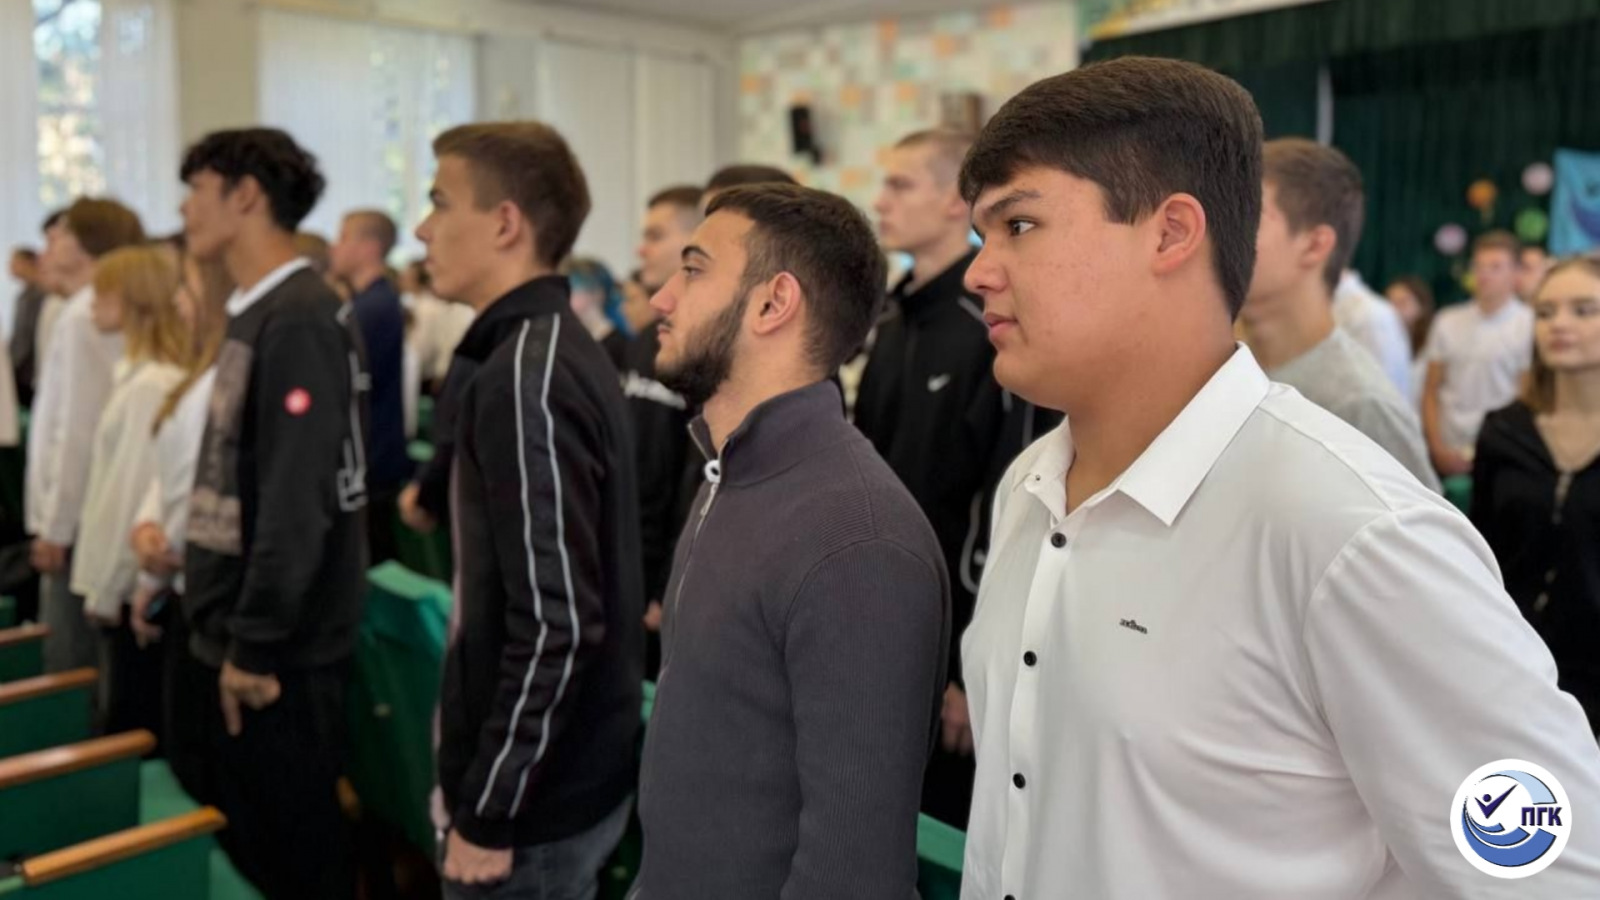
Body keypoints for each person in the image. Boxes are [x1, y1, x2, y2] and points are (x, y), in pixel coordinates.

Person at [957, 57, 1600, 898]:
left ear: (1171, 233)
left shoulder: (1351, 533)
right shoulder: (1028, 487)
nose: (979, 272)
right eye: (984, 235)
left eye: (1020, 225)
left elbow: (1552, 871)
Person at [633, 182, 948, 898]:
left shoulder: (858, 540)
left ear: (774, 303)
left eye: (693, 270)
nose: (661, 298)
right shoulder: (731, 472)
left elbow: (854, 871)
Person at [419, 122, 643, 899]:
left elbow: (558, 621)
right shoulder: (530, 350)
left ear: (505, 222)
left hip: (532, 811)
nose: (423, 228)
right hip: (546, 787)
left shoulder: (529, 373)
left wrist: (490, 807)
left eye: (440, 202)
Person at [178, 127, 368, 899]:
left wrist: (253, 645)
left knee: (292, 855)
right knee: (255, 848)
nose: (185, 209)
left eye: (197, 190)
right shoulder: (260, 309)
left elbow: (296, 502)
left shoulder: (298, 315)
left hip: (279, 656)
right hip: (244, 636)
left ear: (246, 196)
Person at [857, 127, 1040, 827]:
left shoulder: (987, 325)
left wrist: (968, 663)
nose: (880, 201)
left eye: (900, 185)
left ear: (953, 202)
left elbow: (1002, 503)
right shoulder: (893, 318)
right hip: (878, 615)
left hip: (948, 641)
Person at [1241, 138, 1439, 490]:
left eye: (1248, 217)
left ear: (1314, 245)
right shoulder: (1216, 363)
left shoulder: (1360, 404)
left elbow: (1416, 522)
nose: (1223, 234)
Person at [1473, 257, 1600, 736]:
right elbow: (1481, 556)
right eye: (1545, 313)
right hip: (1514, 672)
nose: (1558, 324)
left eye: (1583, 310)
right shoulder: (1504, 431)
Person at [70, 245, 189, 737]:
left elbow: (128, 498)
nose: (92, 304)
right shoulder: (137, 376)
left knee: (127, 716)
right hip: (122, 577)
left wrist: (108, 587)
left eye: (103, 293)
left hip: (126, 584)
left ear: (132, 300)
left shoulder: (150, 385)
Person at [128, 244, 233, 796]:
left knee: (199, 769)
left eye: (188, 290)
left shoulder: (222, 379)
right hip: (178, 577)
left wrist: (156, 562)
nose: (178, 303)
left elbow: (198, 483)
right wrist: (146, 527)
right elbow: (163, 476)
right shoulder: (196, 374)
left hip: (199, 587)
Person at [27, 198, 145, 674]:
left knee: (71, 661)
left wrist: (55, 524)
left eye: (62, 234)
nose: (51, 243)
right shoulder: (78, 307)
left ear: (87, 243)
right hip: (83, 510)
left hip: (79, 515)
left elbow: (76, 429)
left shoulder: (86, 314)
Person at [622, 186, 702, 653]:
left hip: (664, 577)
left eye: (655, 235)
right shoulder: (641, 341)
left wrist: (669, 576)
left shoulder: (704, 351)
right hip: (626, 561)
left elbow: (697, 478)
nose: (641, 249)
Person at [331, 209, 409, 563]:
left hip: (371, 458)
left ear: (369, 247)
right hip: (372, 455)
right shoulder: (369, 303)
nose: (335, 247)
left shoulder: (372, 309)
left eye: (344, 237)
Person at [1422, 230, 1534, 477]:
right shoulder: (1447, 320)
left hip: (1502, 449)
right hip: (1448, 446)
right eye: (1479, 266)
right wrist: (1437, 447)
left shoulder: (1529, 324)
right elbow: (1431, 390)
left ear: (1516, 273)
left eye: (1495, 267)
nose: (1485, 274)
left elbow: (1527, 396)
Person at [1333, 267, 1413, 397]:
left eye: (1402, 302)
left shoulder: (1370, 315)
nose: (1396, 307)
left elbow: (1380, 395)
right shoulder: (1347, 307)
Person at [564, 256, 631, 369]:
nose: (565, 296)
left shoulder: (620, 344)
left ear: (597, 293)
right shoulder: (571, 338)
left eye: (572, 289)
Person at [10, 246, 47, 405]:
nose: (10, 267)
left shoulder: (40, 295)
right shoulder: (24, 296)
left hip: (30, 372)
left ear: (28, 263)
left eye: (14, 262)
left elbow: (27, 337)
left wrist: (11, 367)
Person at [1385, 274, 1437, 357]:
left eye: (1402, 303)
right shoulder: (1382, 338)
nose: (1393, 310)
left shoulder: (1433, 341)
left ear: (1421, 306)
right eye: (1389, 303)